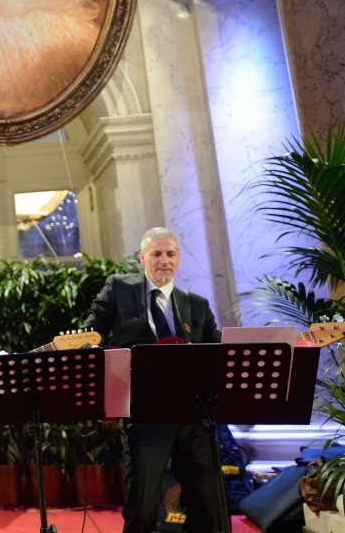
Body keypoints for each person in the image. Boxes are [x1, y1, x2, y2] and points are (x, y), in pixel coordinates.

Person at [83, 227, 222, 533]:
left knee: (206, 509)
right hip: (146, 414)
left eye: (170, 254)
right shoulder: (119, 288)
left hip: (194, 418)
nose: (164, 261)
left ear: (179, 258)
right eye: (157, 254)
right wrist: (108, 385)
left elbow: (219, 353)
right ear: (142, 257)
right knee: (142, 509)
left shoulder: (196, 305)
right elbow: (88, 336)